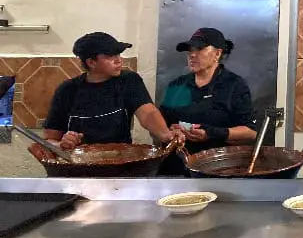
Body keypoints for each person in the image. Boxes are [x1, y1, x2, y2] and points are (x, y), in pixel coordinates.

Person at [43, 32, 179, 150]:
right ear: (91, 62)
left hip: (120, 165)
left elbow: (148, 113)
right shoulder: (67, 90)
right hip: (79, 169)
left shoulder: (128, 80)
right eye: (110, 56)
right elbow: (49, 141)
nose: (119, 60)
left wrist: (166, 135)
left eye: (118, 54)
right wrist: (62, 144)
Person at [158, 28, 257, 174]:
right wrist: (170, 131)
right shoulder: (177, 85)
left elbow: (251, 132)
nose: (192, 54)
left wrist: (213, 133)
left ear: (218, 53)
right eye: (190, 50)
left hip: (218, 168)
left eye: (199, 49)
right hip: (176, 168)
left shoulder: (234, 85)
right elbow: (161, 125)